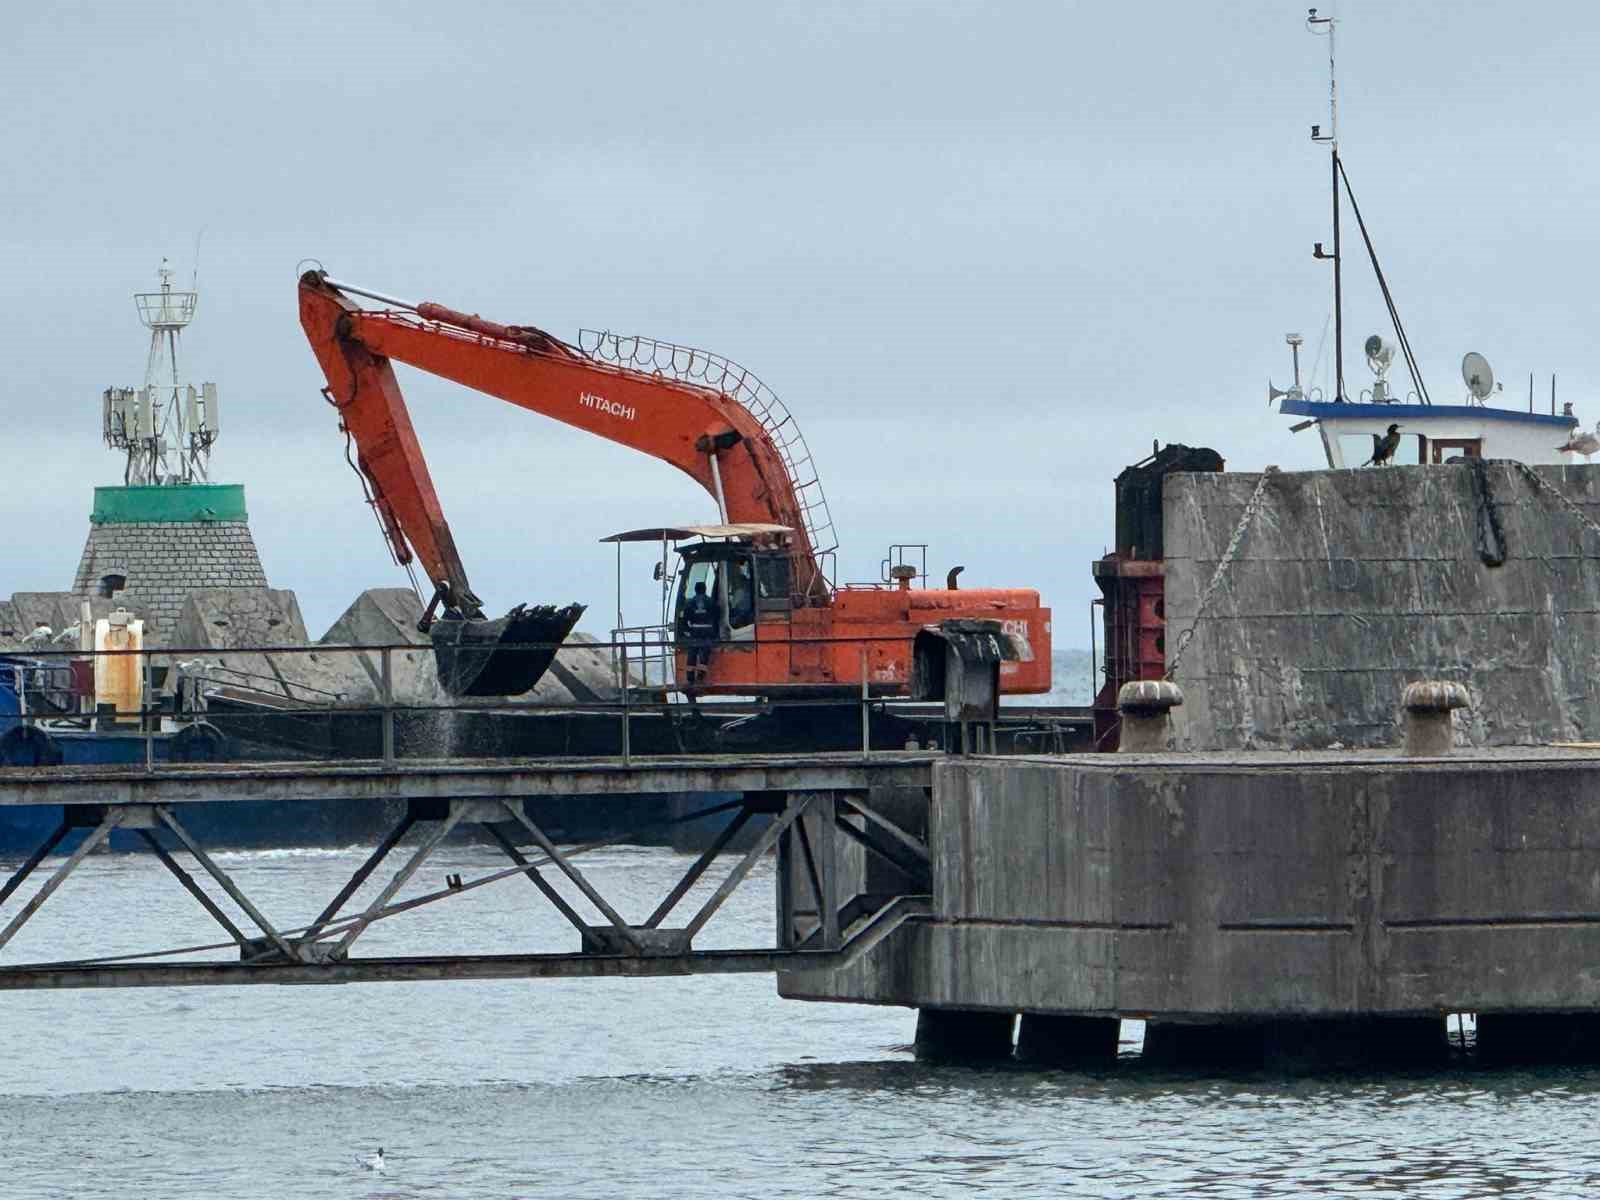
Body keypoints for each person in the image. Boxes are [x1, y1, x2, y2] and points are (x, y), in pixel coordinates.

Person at [682, 580, 717, 685]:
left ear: (695, 590)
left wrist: (687, 630)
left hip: (695, 631)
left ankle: (690, 679)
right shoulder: (711, 601)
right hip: (708, 631)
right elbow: (717, 615)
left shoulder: (690, 602)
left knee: (692, 654)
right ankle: (701, 677)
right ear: (705, 589)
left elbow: (685, 617)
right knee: (704, 655)